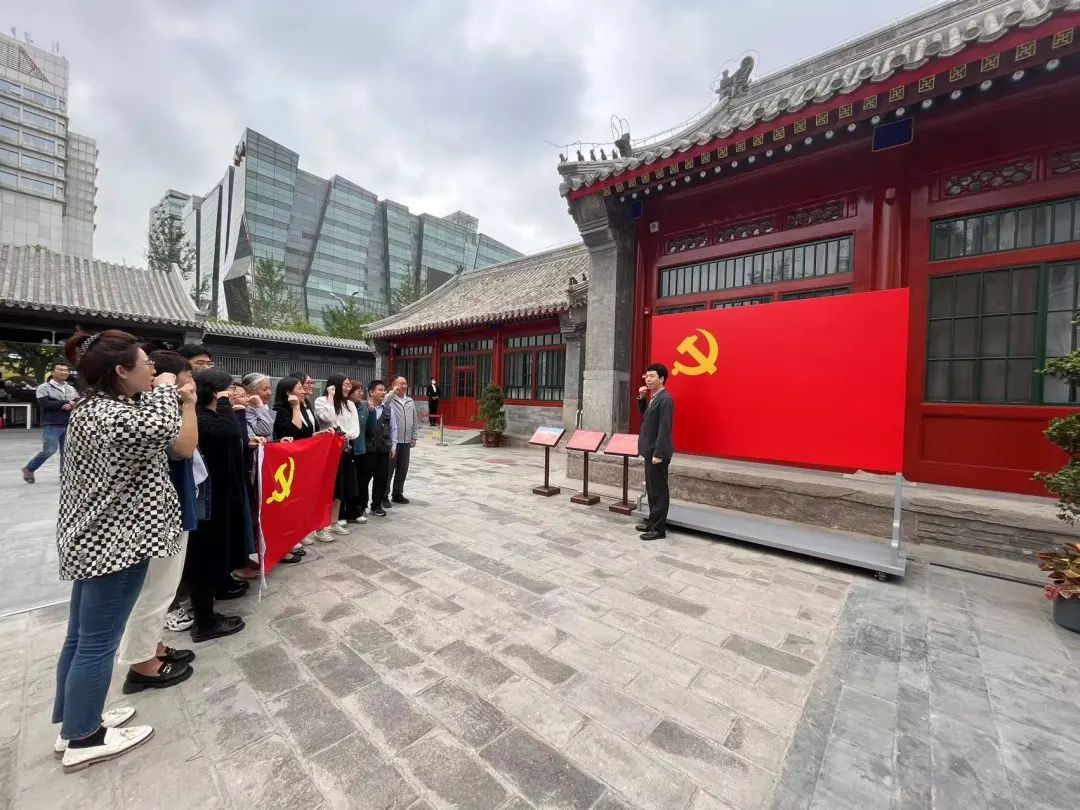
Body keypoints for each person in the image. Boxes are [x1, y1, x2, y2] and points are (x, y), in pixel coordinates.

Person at [51, 329, 181, 772]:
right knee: (98, 642)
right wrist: (167, 388)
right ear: (122, 371)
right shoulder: (113, 415)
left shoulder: (93, 409)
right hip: (116, 542)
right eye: (147, 365)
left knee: (81, 637)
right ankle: (85, 737)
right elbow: (163, 427)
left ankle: (73, 721)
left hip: (94, 538)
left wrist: (155, 390)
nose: (154, 371)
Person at [116, 351, 201, 693]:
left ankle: (153, 645)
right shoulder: (151, 413)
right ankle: (142, 663)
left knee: (163, 585)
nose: (192, 381)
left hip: (172, 503)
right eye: (187, 375)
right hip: (158, 512)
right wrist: (187, 405)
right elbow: (184, 448)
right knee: (156, 588)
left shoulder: (154, 407)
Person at [185, 369, 248, 643]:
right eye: (229, 389)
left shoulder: (215, 415)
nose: (233, 394)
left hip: (223, 495)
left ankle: (220, 587)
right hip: (207, 501)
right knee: (204, 557)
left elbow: (237, 437)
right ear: (214, 392)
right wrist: (224, 402)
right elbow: (228, 431)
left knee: (218, 551)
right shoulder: (202, 417)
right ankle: (204, 621)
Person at [314, 375, 360, 540]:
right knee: (326, 488)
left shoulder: (350, 405)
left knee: (340, 488)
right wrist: (331, 396)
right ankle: (320, 526)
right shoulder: (322, 401)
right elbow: (328, 418)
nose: (348, 388)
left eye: (349, 385)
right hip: (327, 450)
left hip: (344, 448)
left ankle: (333, 522)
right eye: (345, 385)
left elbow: (355, 427)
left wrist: (347, 435)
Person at [21, 362, 79, 483]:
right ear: (53, 372)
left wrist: (72, 405)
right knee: (49, 450)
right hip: (52, 423)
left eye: (66, 370)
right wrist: (65, 402)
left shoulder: (71, 388)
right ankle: (29, 468)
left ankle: (64, 475)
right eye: (60, 370)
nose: (64, 372)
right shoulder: (44, 387)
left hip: (68, 423)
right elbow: (45, 403)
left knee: (67, 452)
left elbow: (77, 402)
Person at [635, 363, 675, 542]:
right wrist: (642, 398)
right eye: (647, 376)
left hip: (657, 452)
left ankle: (659, 529)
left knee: (659, 490)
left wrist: (659, 453)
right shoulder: (654, 397)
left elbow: (664, 428)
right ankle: (652, 521)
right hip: (650, 450)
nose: (648, 379)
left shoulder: (666, 400)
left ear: (662, 378)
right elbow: (646, 417)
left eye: (652, 376)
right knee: (651, 488)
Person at [364, 379, 396, 517]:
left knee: (382, 478)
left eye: (384, 390)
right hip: (367, 450)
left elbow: (394, 429)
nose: (383, 392)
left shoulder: (388, 410)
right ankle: (361, 506)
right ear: (371, 392)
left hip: (383, 449)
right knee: (364, 479)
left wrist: (393, 446)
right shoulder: (363, 407)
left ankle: (376, 506)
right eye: (380, 390)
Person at [385, 376, 418, 505]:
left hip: (406, 441)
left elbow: (414, 420)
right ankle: (384, 495)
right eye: (401, 384)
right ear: (394, 385)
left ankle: (397, 493)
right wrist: (393, 392)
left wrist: (414, 436)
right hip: (393, 441)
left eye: (405, 384)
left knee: (402, 468)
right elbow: (384, 402)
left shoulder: (410, 401)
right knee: (389, 470)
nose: (403, 386)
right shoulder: (390, 399)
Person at [342, 385, 371, 525]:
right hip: (345, 447)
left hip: (359, 448)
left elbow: (370, 428)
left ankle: (357, 510)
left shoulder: (363, 407)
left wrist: (372, 411)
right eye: (358, 391)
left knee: (359, 482)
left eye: (361, 390)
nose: (361, 393)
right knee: (346, 482)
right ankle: (342, 513)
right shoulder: (342, 406)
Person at [273, 376, 315, 442]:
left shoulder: (301, 407)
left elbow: (306, 433)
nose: (303, 392)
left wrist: (317, 434)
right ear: (289, 393)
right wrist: (295, 407)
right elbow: (294, 432)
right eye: (300, 389)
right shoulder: (279, 411)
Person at [241, 373, 275, 442]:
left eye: (270, 388)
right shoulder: (244, 410)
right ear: (249, 392)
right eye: (265, 389)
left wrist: (279, 441)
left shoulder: (264, 406)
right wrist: (260, 406)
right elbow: (265, 431)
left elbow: (270, 438)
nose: (270, 393)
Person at [288, 369, 318, 435]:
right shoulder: (292, 405)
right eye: (308, 383)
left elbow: (312, 429)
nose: (311, 386)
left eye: (312, 383)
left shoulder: (306, 403)